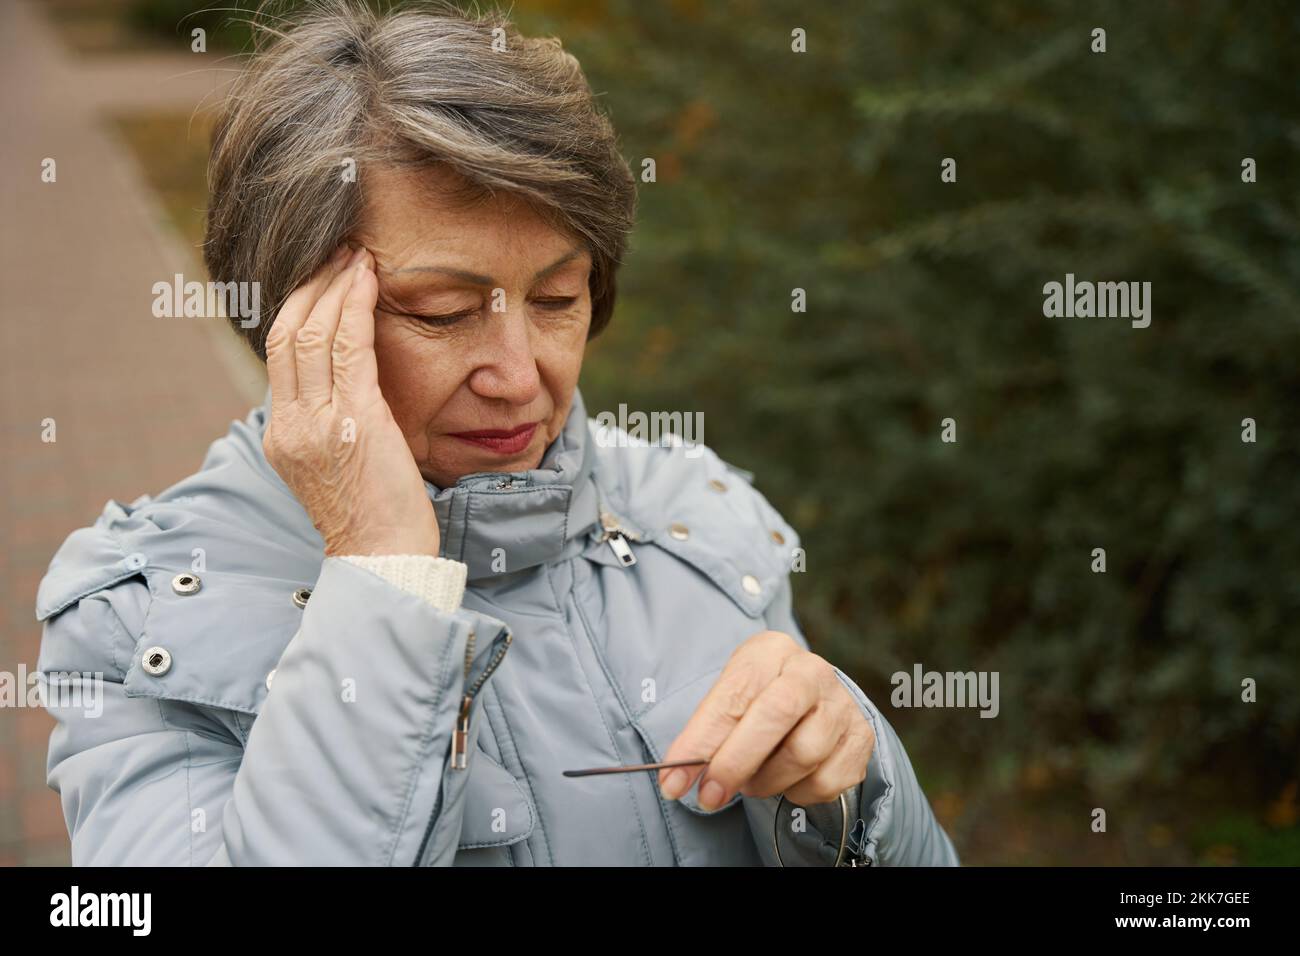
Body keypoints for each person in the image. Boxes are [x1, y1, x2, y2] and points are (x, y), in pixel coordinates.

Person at [36, 0, 958, 866]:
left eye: (557, 299)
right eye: (441, 312)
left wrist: (855, 782)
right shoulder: (137, 622)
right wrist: (382, 577)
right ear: (296, 319)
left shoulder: (701, 515)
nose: (521, 377)